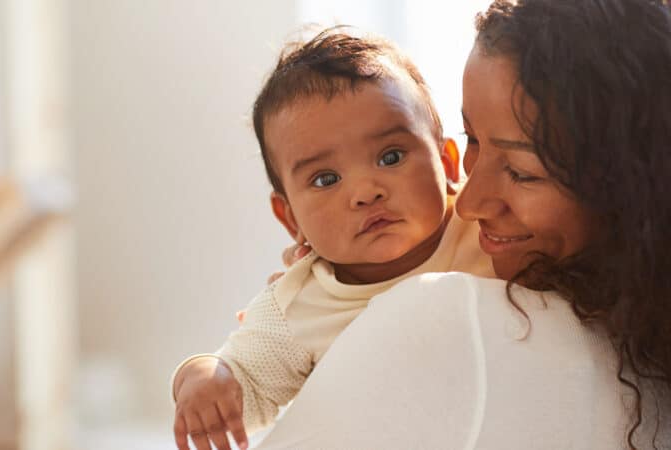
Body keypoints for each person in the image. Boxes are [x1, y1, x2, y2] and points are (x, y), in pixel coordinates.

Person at [254, 1, 671, 448]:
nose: (468, 203)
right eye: (473, 138)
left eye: (522, 171)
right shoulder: (644, 341)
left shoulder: (444, 312)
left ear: (633, 188)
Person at [171, 28, 494, 450]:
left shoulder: (487, 223)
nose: (365, 192)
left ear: (448, 162)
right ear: (291, 219)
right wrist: (199, 376)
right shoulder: (297, 303)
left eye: (390, 156)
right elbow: (246, 384)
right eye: (326, 179)